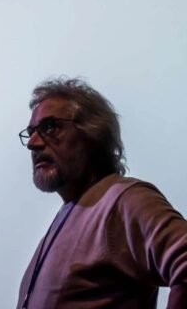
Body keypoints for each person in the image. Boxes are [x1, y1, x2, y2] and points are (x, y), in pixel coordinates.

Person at [16, 77, 187, 309]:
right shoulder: (64, 220)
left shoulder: (124, 199)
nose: (33, 143)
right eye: (31, 132)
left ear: (92, 134)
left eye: (50, 127)